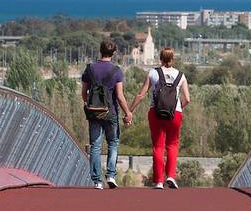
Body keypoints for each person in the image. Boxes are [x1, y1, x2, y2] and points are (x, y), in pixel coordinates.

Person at [129, 47, 190, 189]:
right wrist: (177, 107)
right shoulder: (181, 75)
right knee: (173, 144)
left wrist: (129, 111)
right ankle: (170, 176)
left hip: (155, 113)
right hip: (175, 114)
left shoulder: (153, 73)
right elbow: (187, 98)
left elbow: (141, 94)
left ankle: (159, 181)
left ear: (160, 59)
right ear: (173, 59)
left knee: (158, 146)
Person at [81, 39, 133, 190]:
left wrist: (91, 104)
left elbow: (84, 94)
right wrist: (128, 113)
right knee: (113, 143)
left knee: (95, 146)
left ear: (100, 50)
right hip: (111, 113)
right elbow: (120, 96)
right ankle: (111, 175)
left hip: (94, 113)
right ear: (114, 52)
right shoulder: (116, 71)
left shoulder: (89, 69)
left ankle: (97, 181)